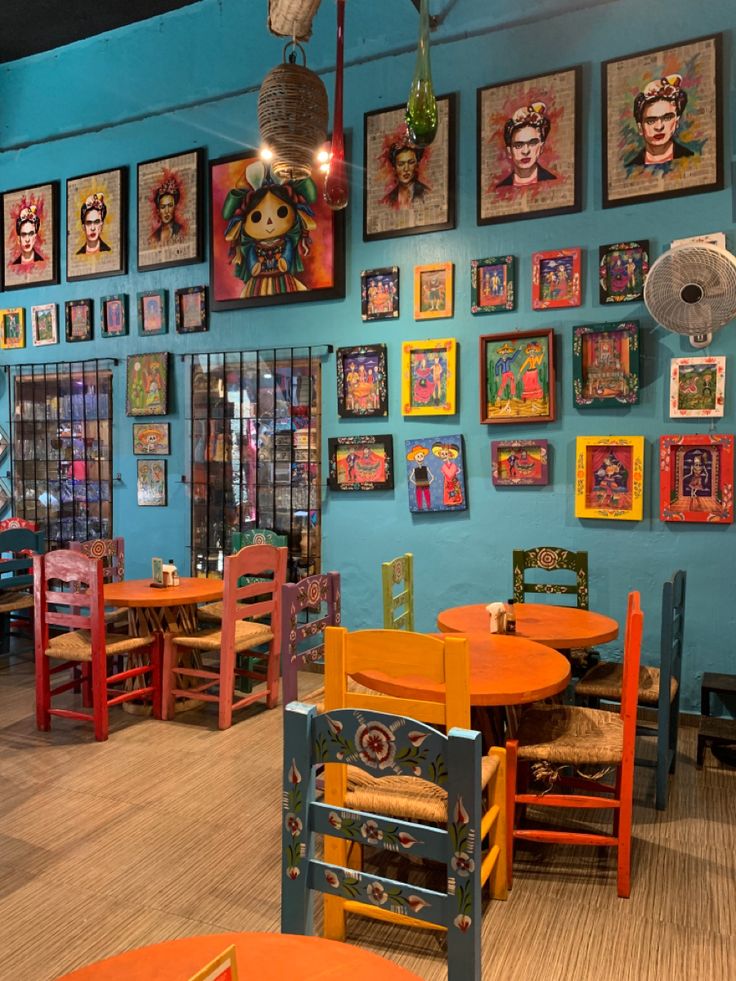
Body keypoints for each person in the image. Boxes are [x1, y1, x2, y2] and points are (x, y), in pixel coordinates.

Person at [222, 161, 316, 298]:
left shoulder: (286, 242)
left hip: (284, 279)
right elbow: (252, 260)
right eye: (256, 217)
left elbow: (287, 255)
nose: (269, 222)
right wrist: (254, 266)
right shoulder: (253, 246)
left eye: (282, 212)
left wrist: (284, 261)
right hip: (257, 283)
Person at [627, 74, 694, 167]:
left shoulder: (691, 159)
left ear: (677, 121)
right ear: (640, 127)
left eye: (667, 118)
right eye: (651, 121)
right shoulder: (631, 168)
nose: (659, 127)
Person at [497, 102, 557, 187]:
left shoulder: (553, 181)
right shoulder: (501, 187)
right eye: (518, 145)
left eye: (532, 143)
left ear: (541, 147)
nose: (526, 151)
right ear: (509, 151)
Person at [382, 140, 429, 209]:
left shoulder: (426, 192)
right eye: (401, 164)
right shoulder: (389, 199)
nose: (406, 169)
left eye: (411, 162)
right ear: (394, 167)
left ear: (417, 164)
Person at [151, 176, 183, 244]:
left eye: (170, 205)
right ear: (158, 210)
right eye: (163, 207)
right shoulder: (154, 237)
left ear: (175, 207)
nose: (167, 211)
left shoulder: (181, 230)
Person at [432, 442, 463, 507]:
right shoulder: (443, 466)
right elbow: (448, 474)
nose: (444, 455)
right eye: (442, 454)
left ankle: (456, 501)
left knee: (455, 490)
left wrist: (452, 473)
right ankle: (449, 502)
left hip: (454, 481)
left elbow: (451, 474)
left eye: (446, 454)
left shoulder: (453, 465)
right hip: (447, 482)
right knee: (448, 491)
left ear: (450, 455)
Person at [406, 445, 434, 510]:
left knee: (427, 496)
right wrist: (415, 483)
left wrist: (429, 482)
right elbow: (410, 478)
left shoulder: (426, 468)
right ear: (415, 458)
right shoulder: (414, 469)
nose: (420, 458)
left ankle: (429, 506)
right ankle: (420, 507)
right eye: (418, 456)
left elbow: (432, 477)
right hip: (418, 485)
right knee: (419, 497)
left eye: (421, 456)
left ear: (424, 456)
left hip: (426, 485)